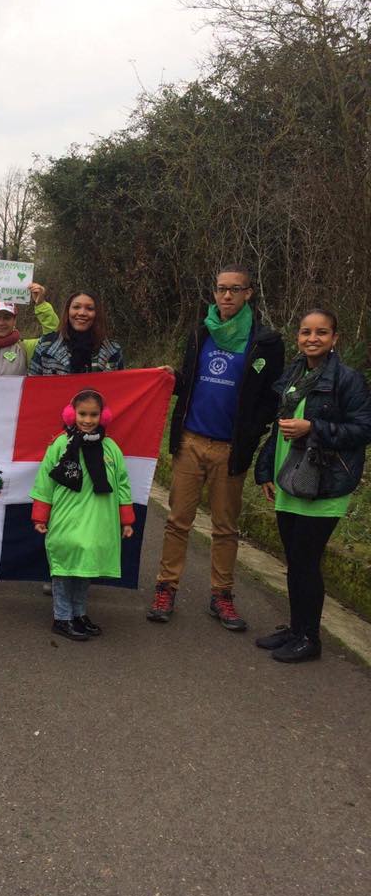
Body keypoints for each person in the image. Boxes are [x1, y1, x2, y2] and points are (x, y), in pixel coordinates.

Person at [148, 264, 284, 631]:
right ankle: (166, 587)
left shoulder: (266, 342)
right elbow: (188, 382)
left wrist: (252, 435)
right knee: (178, 521)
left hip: (230, 448)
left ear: (248, 293)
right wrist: (169, 378)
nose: (226, 296)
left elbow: (271, 397)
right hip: (191, 440)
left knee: (225, 527)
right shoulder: (199, 332)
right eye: (221, 289)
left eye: (234, 289)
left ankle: (221, 596)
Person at [254, 309, 371, 662]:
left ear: (335, 338)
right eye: (306, 332)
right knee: (295, 560)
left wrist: (314, 427)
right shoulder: (294, 373)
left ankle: (310, 639)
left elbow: (363, 430)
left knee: (306, 560)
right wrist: (265, 470)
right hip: (289, 478)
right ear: (298, 337)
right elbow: (280, 425)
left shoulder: (348, 380)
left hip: (323, 483)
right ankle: (295, 628)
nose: (312, 338)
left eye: (321, 332)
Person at [29, 389, 135, 640]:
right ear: (71, 414)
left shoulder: (111, 449)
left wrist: (127, 519)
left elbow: (122, 483)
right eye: (82, 413)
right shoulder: (60, 444)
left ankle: (78, 613)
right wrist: (40, 515)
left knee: (85, 567)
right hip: (67, 516)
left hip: (99, 518)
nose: (87, 420)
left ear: (103, 416)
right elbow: (45, 480)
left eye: (93, 414)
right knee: (65, 567)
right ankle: (62, 617)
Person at [28, 291, 124, 375]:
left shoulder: (113, 350)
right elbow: (32, 386)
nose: (82, 313)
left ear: (97, 314)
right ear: (68, 311)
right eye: (76, 307)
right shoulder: (46, 345)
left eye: (89, 308)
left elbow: (120, 388)